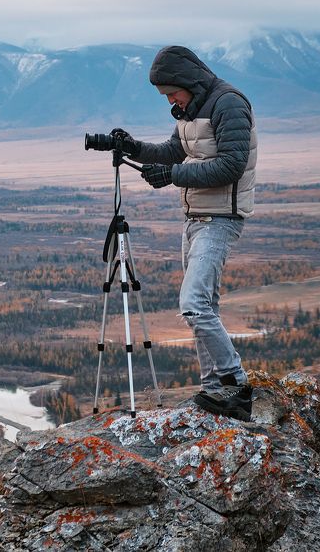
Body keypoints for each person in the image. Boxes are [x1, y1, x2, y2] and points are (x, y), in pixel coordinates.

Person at [114, 45, 257, 422]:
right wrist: (134, 148)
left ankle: (238, 388)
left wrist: (172, 176)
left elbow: (231, 166)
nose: (170, 100)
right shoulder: (191, 109)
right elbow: (174, 150)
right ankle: (214, 391)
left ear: (187, 81)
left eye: (171, 92)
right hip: (194, 218)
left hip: (221, 219)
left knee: (193, 305)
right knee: (205, 307)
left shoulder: (228, 104)